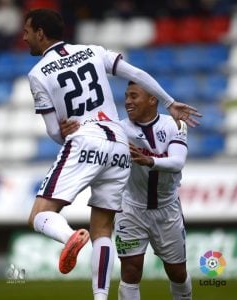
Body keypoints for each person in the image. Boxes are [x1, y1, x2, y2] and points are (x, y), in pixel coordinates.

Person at [23, 9, 199, 300]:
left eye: (27, 31)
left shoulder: (38, 73)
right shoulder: (93, 50)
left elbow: (55, 132)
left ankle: (70, 238)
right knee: (102, 228)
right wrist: (170, 102)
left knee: (39, 216)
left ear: (40, 33)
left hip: (85, 137)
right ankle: (101, 297)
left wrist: (66, 131)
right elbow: (137, 74)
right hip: (117, 139)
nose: (24, 36)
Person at [114, 81, 192, 300]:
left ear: (152, 100)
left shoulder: (174, 125)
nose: (128, 101)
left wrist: (149, 160)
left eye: (134, 96)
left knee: (177, 273)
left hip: (167, 210)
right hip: (130, 208)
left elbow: (177, 162)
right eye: (126, 96)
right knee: (130, 270)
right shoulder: (119, 129)